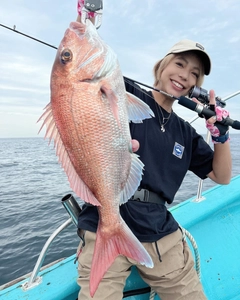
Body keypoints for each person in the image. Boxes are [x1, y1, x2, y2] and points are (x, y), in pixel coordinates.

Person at [75, 2, 232, 300]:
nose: (185, 75)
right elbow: (84, 76)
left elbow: (222, 176)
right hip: (105, 222)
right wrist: (88, 23)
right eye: (180, 64)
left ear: (195, 88)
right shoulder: (124, 93)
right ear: (162, 65)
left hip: (161, 233)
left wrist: (220, 136)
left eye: (195, 74)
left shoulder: (185, 133)